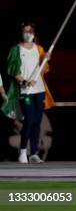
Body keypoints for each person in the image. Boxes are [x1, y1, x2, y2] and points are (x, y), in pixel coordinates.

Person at [1, 22, 53, 163]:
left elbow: (43, 69)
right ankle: (23, 151)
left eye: (30, 31)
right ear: (21, 33)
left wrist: (45, 59)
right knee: (29, 120)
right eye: (25, 31)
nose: (28, 33)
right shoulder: (16, 50)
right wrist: (24, 81)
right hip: (25, 90)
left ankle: (34, 153)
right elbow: (12, 70)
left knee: (37, 121)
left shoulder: (39, 49)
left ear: (34, 33)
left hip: (39, 90)